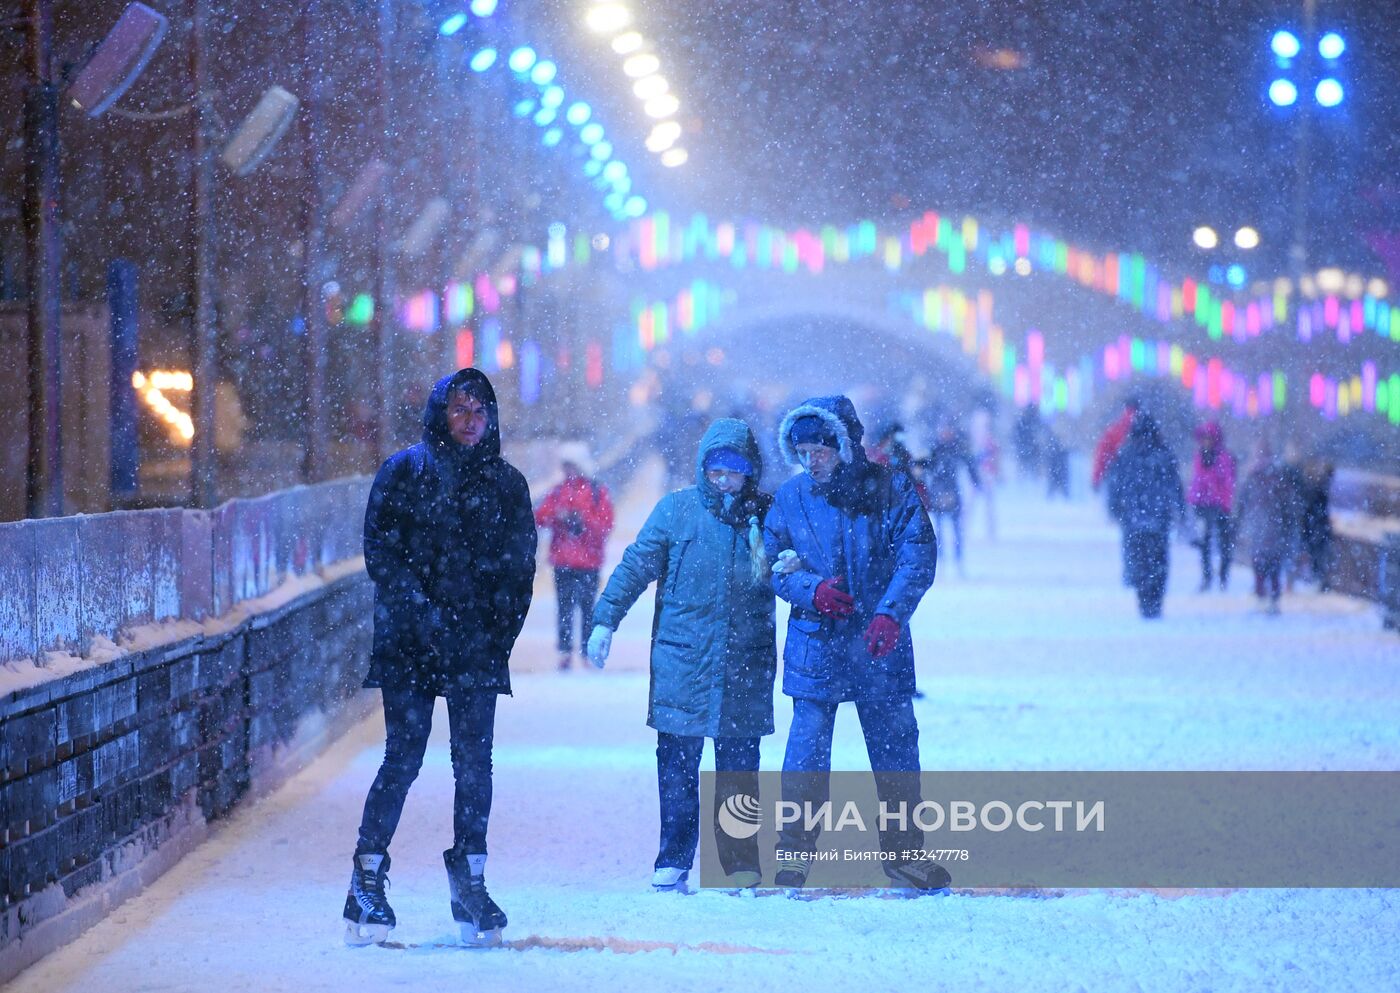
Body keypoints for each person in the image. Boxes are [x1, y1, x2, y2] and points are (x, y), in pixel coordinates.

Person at [343, 368, 536, 947]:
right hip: (410, 644)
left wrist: (498, 632)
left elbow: (520, 566)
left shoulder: (507, 484)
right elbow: (381, 550)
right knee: (403, 757)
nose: (472, 421)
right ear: (440, 415)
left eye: (480, 411)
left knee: (475, 764)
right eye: (460, 410)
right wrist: (419, 613)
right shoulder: (404, 473)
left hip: (475, 646)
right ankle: (367, 877)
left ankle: (470, 875)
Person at [764, 395, 949, 891]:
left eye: (820, 450)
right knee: (806, 752)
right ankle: (795, 854)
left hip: (876, 646)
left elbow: (917, 555)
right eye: (803, 451)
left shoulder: (891, 490)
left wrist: (890, 612)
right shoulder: (790, 499)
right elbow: (775, 562)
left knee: (895, 751)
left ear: (844, 445)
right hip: (816, 644)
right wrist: (811, 591)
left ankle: (905, 854)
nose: (811, 460)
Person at [586, 419, 777, 892]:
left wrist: (796, 568)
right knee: (676, 768)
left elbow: (795, 573)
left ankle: (737, 861)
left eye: (734, 471)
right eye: (716, 470)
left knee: (738, 768)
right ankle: (673, 857)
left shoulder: (768, 516)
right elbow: (635, 567)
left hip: (743, 665)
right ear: (702, 468)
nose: (724, 480)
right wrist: (605, 619)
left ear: (749, 472)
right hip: (682, 665)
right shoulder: (676, 512)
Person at [534, 442, 614, 671]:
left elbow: (605, 524)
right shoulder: (559, 491)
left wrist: (582, 521)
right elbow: (540, 517)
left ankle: (585, 651)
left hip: (587, 561)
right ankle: (565, 651)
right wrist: (560, 517)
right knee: (565, 608)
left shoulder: (596, 492)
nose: (569, 471)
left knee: (587, 608)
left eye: (572, 466)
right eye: (566, 466)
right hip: (565, 560)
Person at [1106, 413, 1184, 619]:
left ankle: (1144, 600)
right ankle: (1155, 601)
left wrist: (1115, 508)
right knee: (1158, 561)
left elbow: (1115, 484)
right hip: (1158, 519)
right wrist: (1180, 510)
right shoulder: (1163, 455)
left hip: (1134, 520)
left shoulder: (1126, 455)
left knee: (1140, 562)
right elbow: (1175, 486)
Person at [1235, 438, 1302, 615]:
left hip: (1264, 526)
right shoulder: (1275, 477)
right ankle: (1270, 598)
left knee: (1263, 563)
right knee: (1271, 564)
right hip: (1270, 526)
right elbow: (1289, 505)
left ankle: (1265, 597)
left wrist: (1239, 521)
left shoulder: (1257, 476)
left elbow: (1243, 502)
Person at [922, 420, 981, 577]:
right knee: (939, 530)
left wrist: (976, 481)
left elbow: (969, 464)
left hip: (952, 492)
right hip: (938, 492)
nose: (946, 434)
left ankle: (958, 561)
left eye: (948, 431)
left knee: (955, 528)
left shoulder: (956, 447)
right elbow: (924, 466)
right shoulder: (935, 448)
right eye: (943, 430)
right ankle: (941, 562)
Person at [1186, 421, 1236, 592]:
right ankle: (1207, 577)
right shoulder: (1199, 457)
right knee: (1205, 544)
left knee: (1223, 543)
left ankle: (1223, 577)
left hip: (1220, 506)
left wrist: (1222, 501)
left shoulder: (1223, 458)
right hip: (1203, 506)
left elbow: (1227, 483)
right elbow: (1196, 481)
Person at [1299, 459, 1336, 591]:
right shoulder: (1314, 486)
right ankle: (1319, 578)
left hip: (1315, 524)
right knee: (1317, 553)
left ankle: (1319, 578)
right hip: (1315, 524)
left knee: (1317, 553)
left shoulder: (1315, 486)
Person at [1091, 396, 1140, 492]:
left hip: (1120, 482)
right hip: (1143, 484)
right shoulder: (1149, 430)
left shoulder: (1115, 429)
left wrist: (1096, 478)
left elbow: (1102, 456)